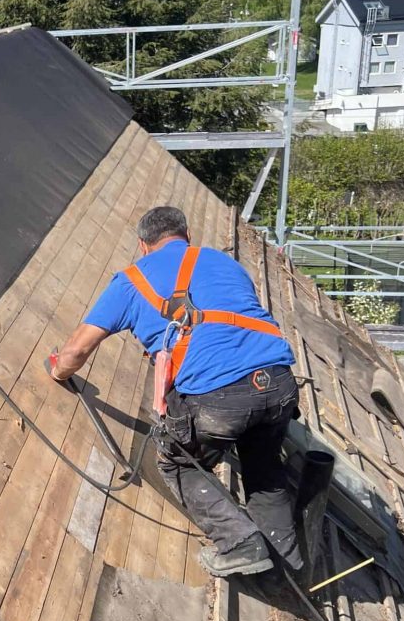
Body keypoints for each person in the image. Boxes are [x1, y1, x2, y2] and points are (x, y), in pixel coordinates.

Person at [49, 205, 303, 577]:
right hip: (279, 381)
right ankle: (287, 569)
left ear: (143, 245)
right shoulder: (225, 264)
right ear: (187, 236)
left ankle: (240, 542)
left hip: (220, 396)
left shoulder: (132, 280)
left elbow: (76, 351)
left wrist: (59, 370)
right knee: (265, 470)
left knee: (178, 461)